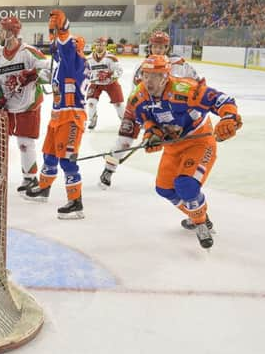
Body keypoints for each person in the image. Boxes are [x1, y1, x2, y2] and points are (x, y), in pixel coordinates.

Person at [131, 55, 242, 249]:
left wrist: (228, 117)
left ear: (166, 76)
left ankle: (200, 224)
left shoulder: (185, 89)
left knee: (186, 185)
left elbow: (222, 99)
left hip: (199, 141)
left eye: (155, 76)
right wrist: (152, 135)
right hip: (173, 148)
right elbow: (145, 120)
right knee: (164, 188)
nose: (148, 80)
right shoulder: (138, 97)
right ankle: (197, 213)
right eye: (146, 75)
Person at [99, 30, 201, 188]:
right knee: (124, 140)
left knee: (178, 142)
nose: (158, 50)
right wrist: (145, 118)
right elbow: (136, 90)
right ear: (150, 47)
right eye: (155, 46)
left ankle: (177, 174)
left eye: (161, 47)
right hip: (141, 107)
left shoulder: (180, 65)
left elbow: (197, 85)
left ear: (167, 47)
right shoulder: (143, 66)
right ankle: (109, 169)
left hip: (169, 111)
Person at [23, 9, 88, 220]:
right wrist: (52, 30)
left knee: (67, 161)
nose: (57, 51)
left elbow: (65, 47)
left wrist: (63, 28)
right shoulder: (64, 64)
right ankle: (43, 188)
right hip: (58, 116)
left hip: (71, 118)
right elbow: (58, 51)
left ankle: (76, 203)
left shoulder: (74, 62)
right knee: (49, 155)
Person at [0, 16, 50, 193]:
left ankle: (30, 178)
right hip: (5, 107)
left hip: (27, 104)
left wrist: (34, 74)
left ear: (12, 33)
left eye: (2, 30)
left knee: (24, 143)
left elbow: (50, 70)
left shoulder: (29, 52)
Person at [85, 36, 124, 130]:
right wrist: (92, 78)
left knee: (118, 104)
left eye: (101, 45)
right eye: (97, 45)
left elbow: (119, 70)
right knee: (90, 102)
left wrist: (110, 75)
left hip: (111, 83)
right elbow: (85, 73)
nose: (99, 47)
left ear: (105, 46)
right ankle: (92, 119)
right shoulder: (89, 59)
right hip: (96, 84)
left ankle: (124, 120)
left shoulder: (111, 57)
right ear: (95, 46)